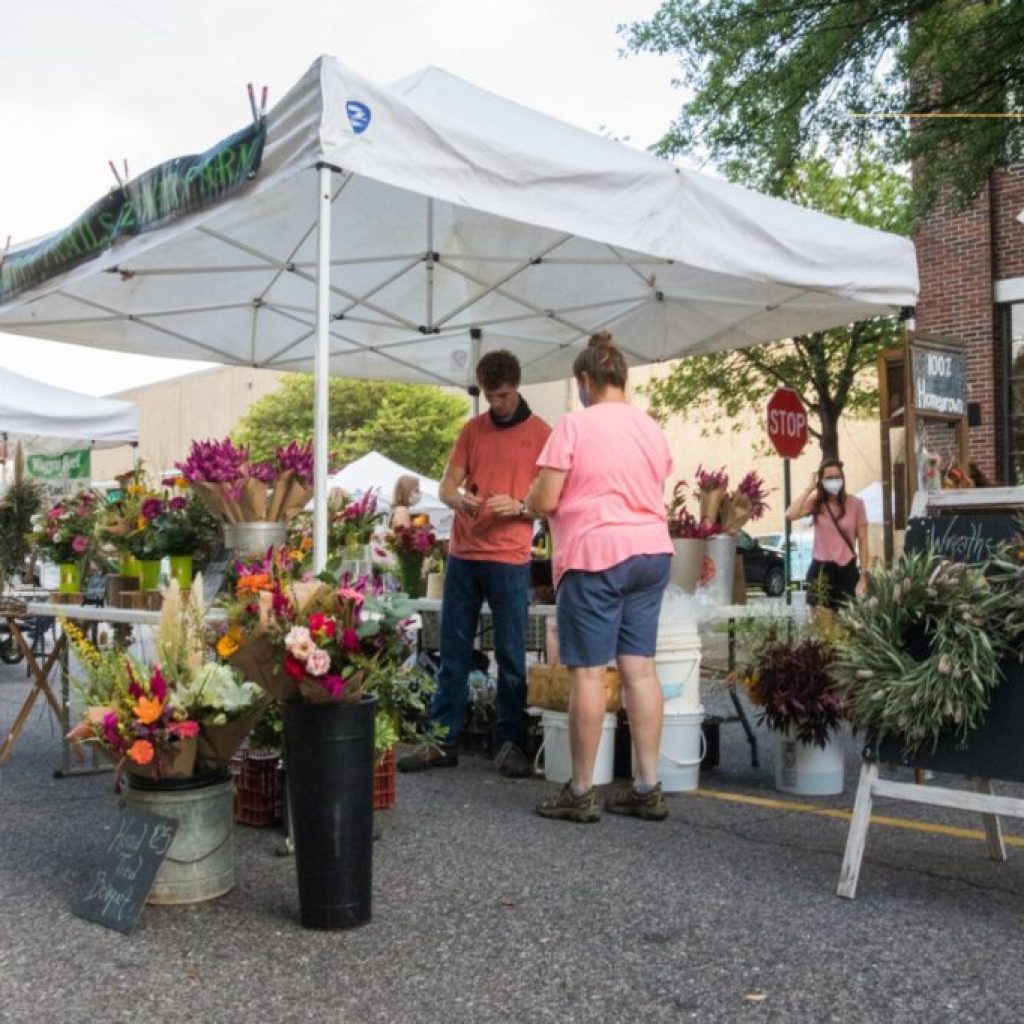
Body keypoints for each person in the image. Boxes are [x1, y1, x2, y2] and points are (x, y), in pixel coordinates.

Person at [525, 331, 674, 824]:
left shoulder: (573, 425)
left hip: (595, 553)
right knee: (641, 671)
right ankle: (648, 785)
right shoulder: (651, 428)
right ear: (622, 378)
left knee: (588, 673)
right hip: (651, 551)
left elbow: (545, 500)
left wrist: (527, 500)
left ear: (585, 380)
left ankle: (582, 788)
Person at [398, 350, 551, 777]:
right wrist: (455, 497)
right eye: (489, 396)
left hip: (510, 558)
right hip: (463, 555)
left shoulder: (542, 435)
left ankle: (510, 742)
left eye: (502, 395)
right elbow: (447, 484)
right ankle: (441, 738)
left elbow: (550, 501)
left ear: (517, 386)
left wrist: (520, 507)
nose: (496, 404)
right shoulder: (472, 430)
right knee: (452, 650)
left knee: (511, 654)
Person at [785, 458, 869, 610]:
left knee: (847, 627)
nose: (834, 481)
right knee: (822, 628)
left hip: (847, 571)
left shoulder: (856, 504)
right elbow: (790, 514)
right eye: (829, 478)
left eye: (837, 477)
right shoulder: (816, 502)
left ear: (843, 479)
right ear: (821, 481)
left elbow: (863, 541)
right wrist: (809, 489)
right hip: (821, 571)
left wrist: (863, 576)